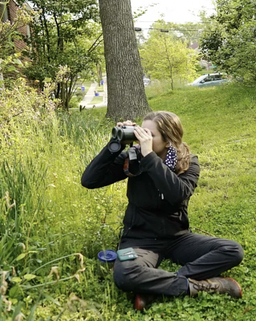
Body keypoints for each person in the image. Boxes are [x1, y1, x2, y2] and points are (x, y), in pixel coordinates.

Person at [81, 111, 244, 310]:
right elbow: (89, 180)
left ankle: (157, 287)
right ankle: (199, 286)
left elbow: (177, 195)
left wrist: (150, 157)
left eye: (149, 135)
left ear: (168, 140)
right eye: (141, 132)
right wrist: (114, 145)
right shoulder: (134, 158)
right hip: (139, 239)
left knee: (232, 250)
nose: (142, 138)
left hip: (177, 238)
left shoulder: (188, 162)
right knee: (125, 273)